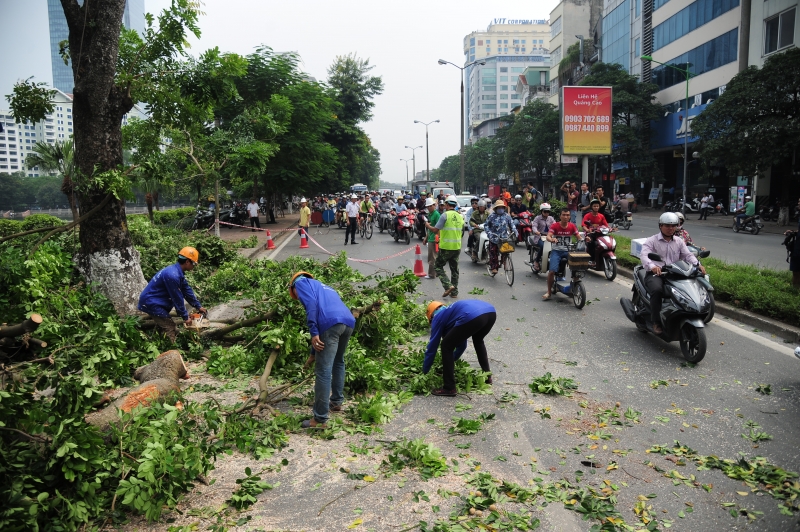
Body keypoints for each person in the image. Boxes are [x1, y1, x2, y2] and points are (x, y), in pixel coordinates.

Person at [289, 271, 356, 428]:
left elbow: (311, 305)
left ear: (293, 287)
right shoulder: (322, 286)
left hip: (330, 323)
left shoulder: (300, 283)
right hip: (348, 322)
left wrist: (313, 332)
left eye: (296, 296)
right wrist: (313, 355)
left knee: (323, 371)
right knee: (338, 362)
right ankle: (337, 402)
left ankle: (319, 419)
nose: (298, 298)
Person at [641, 213, 705, 334]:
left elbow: (688, 255)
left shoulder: (679, 241)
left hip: (675, 273)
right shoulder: (652, 240)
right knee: (657, 291)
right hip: (657, 274)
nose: (670, 228)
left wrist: (698, 265)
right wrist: (652, 266)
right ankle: (656, 321)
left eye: (673, 226)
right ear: (660, 226)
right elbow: (644, 255)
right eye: (667, 225)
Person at [423, 300, 496, 396]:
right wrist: (450, 361)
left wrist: (425, 370)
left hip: (473, 315)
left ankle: (449, 388)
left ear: (431, 315)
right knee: (478, 341)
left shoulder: (437, 318)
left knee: (446, 346)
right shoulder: (452, 313)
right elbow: (462, 345)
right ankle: (487, 377)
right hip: (490, 312)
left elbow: (432, 347)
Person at [138, 247, 207, 343]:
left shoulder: (176, 272)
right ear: (187, 262)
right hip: (152, 303)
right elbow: (177, 297)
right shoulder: (173, 275)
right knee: (170, 327)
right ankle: (171, 348)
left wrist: (198, 306)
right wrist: (185, 317)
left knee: (163, 324)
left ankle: (158, 343)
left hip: (156, 302)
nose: (194, 266)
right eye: (194, 264)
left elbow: (186, 290)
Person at [427, 196, 463, 298]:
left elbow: (435, 230)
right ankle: (454, 293)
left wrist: (427, 226)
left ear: (447, 205)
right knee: (454, 269)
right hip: (457, 247)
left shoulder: (444, 215)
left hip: (446, 247)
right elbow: (462, 232)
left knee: (438, 266)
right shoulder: (460, 216)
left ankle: (448, 286)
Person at [543, 208, 580, 301]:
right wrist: (552, 239)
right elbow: (548, 236)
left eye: (567, 215)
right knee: (551, 271)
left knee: (576, 267)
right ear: (560, 216)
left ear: (570, 216)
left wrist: (584, 239)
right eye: (563, 215)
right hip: (556, 251)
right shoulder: (555, 226)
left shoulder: (572, 226)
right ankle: (549, 292)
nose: (565, 217)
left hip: (568, 251)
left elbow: (578, 237)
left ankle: (576, 284)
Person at [485, 199, 518, 275]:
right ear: (496, 208)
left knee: (506, 250)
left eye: (502, 207)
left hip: (504, 238)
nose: (500, 209)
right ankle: (494, 267)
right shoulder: (491, 216)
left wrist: (515, 231)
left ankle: (504, 260)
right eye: (499, 207)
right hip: (494, 237)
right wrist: (489, 233)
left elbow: (512, 225)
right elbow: (486, 225)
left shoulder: (507, 216)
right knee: (493, 252)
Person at [582, 199, 610, 265]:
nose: (596, 207)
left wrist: (611, 229)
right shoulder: (587, 215)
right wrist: (587, 230)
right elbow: (583, 225)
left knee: (607, 242)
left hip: (600, 233)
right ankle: (591, 259)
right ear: (592, 207)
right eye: (594, 206)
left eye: (597, 206)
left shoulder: (601, 216)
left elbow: (606, 225)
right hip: (590, 233)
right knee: (590, 242)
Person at [529, 203, 555, 271]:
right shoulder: (537, 218)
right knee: (543, 247)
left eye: (548, 211)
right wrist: (536, 231)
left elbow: (555, 226)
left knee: (555, 247)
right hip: (539, 237)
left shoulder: (551, 218)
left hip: (549, 237)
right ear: (541, 211)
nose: (546, 213)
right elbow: (534, 226)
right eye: (545, 211)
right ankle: (537, 261)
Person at [424, 197, 440, 279]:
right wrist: (426, 238)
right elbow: (429, 228)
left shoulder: (436, 214)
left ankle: (431, 274)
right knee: (433, 257)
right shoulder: (430, 215)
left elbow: (438, 228)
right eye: (428, 206)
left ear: (434, 205)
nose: (429, 208)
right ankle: (436, 272)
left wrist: (437, 239)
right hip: (430, 237)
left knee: (432, 257)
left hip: (434, 238)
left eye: (431, 206)